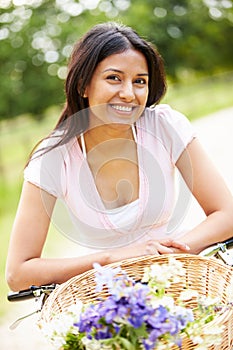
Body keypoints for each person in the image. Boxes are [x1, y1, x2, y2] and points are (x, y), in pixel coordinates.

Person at [6, 22, 233, 292]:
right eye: (114, 78)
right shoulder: (53, 158)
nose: (128, 93)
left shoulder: (164, 126)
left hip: (179, 278)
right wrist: (112, 260)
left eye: (140, 81)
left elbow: (226, 214)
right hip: (107, 296)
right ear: (83, 85)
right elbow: (18, 272)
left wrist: (169, 255)